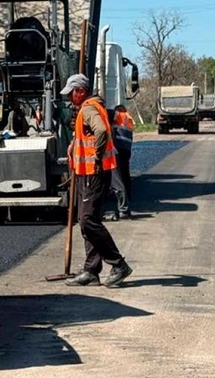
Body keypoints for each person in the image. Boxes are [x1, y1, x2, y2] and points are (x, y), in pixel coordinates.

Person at [63, 74, 133, 287]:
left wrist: (95, 156)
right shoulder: (86, 109)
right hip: (86, 172)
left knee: (88, 221)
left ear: (80, 91)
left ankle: (118, 264)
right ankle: (91, 270)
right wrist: (75, 142)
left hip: (93, 172)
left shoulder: (88, 108)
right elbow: (90, 133)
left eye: (70, 93)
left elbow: (101, 131)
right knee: (86, 220)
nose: (68, 98)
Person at [106, 104, 135, 220]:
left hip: (117, 150)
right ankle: (127, 201)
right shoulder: (128, 119)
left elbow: (108, 113)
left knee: (117, 180)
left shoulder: (119, 116)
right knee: (125, 177)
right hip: (126, 151)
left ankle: (123, 209)